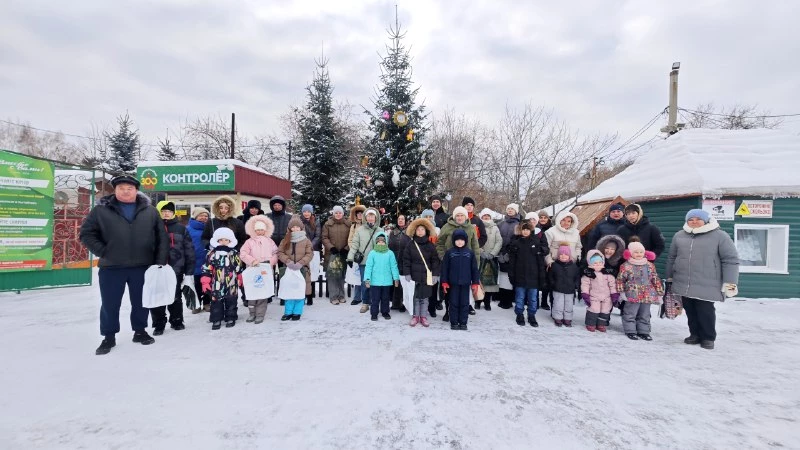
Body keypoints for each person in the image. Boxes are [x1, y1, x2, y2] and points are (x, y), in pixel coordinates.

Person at [80, 174, 169, 355]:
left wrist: (159, 261)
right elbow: (87, 234)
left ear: (136, 190)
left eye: (130, 188)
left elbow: (162, 237)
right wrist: (103, 251)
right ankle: (109, 336)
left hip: (142, 266)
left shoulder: (150, 211)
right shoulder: (101, 210)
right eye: (121, 188)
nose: (126, 191)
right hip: (112, 266)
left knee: (141, 302)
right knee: (110, 303)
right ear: (116, 190)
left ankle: (140, 331)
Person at [665, 209, 739, 350]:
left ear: (706, 220)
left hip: (708, 282)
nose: (694, 222)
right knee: (690, 309)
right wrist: (669, 276)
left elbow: (730, 260)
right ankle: (695, 334)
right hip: (683, 280)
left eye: (698, 219)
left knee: (705, 310)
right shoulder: (679, 235)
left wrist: (730, 283)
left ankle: (708, 337)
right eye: (690, 219)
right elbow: (672, 257)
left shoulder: (719, 236)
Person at [150, 201, 195, 336]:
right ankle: (159, 324)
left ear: (173, 213)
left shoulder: (181, 228)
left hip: (175, 269)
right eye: (163, 211)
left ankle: (177, 320)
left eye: (169, 211)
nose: (166, 214)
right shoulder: (151, 228)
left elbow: (189, 250)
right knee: (157, 297)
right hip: (156, 269)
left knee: (175, 296)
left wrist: (189, 270)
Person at [436, 206, 481, 321]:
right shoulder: (446, 227)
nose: (460, 217)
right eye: (458, 215)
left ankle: (462, 313)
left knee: (463, 291)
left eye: (462, 215)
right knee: (448, 289)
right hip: (450, 263)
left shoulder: (471, 228)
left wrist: (476, 263)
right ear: (454, 216)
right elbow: (439, 243)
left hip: (466, 263)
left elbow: (475, 246)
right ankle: (448, 311)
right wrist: (443, 256)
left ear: (465, 216)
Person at [616, 241, 664, 341]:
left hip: (647, 294)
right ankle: (630, 330)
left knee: (644, 314)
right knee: (630, 313)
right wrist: (621, 292)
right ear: (630, 253)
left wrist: (659, 293)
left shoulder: (650, 265)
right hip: (632, 294)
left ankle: (644, 331)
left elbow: (655, 279)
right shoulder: (626, 266)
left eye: (641, 252)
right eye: (636, 252)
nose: (639, 254)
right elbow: (620, 279)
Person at [201, 228, 244, 330]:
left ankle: (231, 317)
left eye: (226, 240)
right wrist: (205, 280)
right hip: (216, 282)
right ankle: (216, 319)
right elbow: (207, 267)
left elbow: (238, 266)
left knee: (231, 300)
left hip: (232, 282)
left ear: (230, 241)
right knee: (216, 301)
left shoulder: (234, 253)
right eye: (221, 240)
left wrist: (240, 276)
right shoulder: (212, 253)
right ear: (216, 241)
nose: (223, 242)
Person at [402, 218, 440, 327]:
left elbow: (435, 261)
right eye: (418, 229)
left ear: (426, 231)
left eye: (422, 229)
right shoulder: (410, 245)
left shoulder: (430, 245)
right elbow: (406, 260)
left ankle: (423, 316)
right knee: (415, 297)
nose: (420, 231)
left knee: (425, 298)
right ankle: (415, 316)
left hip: (426, 276)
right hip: (414, 276)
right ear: (414, 231)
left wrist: (435, 274)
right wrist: (407, 273)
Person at [239, 215, 278, 324]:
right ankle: (252, 313)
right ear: (254, 230)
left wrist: (271, 262)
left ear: (265, 230)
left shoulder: (270, 241)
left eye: (261, 230)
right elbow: (243, 253)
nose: (259, 232)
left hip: (265, 269)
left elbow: (276, 253)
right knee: (252, 292)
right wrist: (252, 261)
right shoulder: (249, 242)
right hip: (253, 269)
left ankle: (260, 314)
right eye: (257, 230)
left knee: (262, 292)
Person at [441, 229, 481, 330]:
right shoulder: (450, 253)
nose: (460, 242)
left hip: (465, 283)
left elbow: (474, 269)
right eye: (457, 240)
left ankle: (463, 322)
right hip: (452, 283)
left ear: (465, 241)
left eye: (462, 240)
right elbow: (444, 268)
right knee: (453, 303)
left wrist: (475, 282)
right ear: (454, 240)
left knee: (464, 303)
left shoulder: (470, 253)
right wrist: (444, 282)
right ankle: (454, 322)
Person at [509, 222, 547, 327]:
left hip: (533, 276)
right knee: (520, 297)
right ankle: (519, 314)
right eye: (523, 229)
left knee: (533, 298)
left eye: (527, 229)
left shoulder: (536, 243)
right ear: (521, 231)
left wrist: (541, 275)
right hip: (520, 275)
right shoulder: (516, 243)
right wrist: (511, 274)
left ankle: (531, 315)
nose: (525, 231)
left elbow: (540, 261)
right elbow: (512, 261)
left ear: (531, 231)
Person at [278, 217, 314, 321]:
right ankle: (288, 312)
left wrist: (301, 263)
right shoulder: (285, 240)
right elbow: (280, 252)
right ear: (290, 228)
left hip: (302, 269)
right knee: (289, 291)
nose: (295, 229)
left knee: (300, 291)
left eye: (297, 227)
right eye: (293, 227)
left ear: (301, 228)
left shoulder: (306, 241)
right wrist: (288, 261)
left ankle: (297, 312)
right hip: (288, 269)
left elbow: (309, 254)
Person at [348, 208, 382, 312]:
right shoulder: (360, 230)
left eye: (372, 216)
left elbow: (385, 246)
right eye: (369, 216)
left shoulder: (380, 230)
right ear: (365, 217)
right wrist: (350, 257)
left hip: (377, 262)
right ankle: (365, 303)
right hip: (364, 262)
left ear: (375, 217)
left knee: (376, 282)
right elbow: (354, 245)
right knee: (365, 282)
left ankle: (375, 302)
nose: (371, 218)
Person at [362, 231, 400, 321]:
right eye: (379, 241)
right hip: (375, 282)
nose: (381, 243)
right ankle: (374, 313)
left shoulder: (390, 253)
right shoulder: (372, 253)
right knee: (375, 299)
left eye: (383, 242)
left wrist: (396, 278)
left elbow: (393, 266)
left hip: (387, 282)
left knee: (385, 298)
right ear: (376, 242)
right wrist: (367, 279)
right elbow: (368, 267)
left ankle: (385, 312)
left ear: (386, 242)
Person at [581, 251, 618, 333]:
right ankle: (591, 324)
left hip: (606, 296)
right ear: (590, 263)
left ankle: (601, 324)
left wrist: (614, 294)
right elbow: (585, 285)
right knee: (594, 309)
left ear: (603, 262)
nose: (597, 264)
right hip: (594, 296)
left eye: (599, 262)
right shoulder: (588, 274)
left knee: (605, 310)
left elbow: (612, 284)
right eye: (595, 263)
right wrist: (585, 294)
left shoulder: (607, 273)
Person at [322, 206, 351, 305]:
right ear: (333, 214)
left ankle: (341, 295)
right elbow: (324, 237)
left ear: (343, 214)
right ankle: (333, 296)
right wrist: (331, 247)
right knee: (332, 275)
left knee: (341, 275)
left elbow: (352, 238)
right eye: (336, 213)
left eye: (340, 213)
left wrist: (346, 248)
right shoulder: (327, 224)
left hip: (343, 253)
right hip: (332, 253)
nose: (338, 214)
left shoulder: (348, 224)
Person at [497, 204, 522, 310]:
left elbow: (518, 239)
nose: (510, 210)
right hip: (501, 253)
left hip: (512, 254)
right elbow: (498, 238)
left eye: (512, 209)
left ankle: (509, 300)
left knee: (510, 276)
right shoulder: (501, 224)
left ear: (516, 211)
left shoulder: (519, 224)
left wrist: (509, 252)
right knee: (502, 277)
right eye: (508, 209)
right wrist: (500, 252)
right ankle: (502, 299)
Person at [548, 244, 580, 327]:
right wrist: (553, 284)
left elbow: (577, 277)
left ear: (569, 255)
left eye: (565, 254)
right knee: (558, 304)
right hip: (557, 289)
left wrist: (575, 285)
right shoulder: (554, 265)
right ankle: (558, 318)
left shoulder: (574, 266)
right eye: (561, 254)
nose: (563, 256)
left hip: (570, 290)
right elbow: (550, 276)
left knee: (568, 305)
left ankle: (567, 319)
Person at [477, 208, 502, 310]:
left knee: (490, 281)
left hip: (492, 257)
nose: (486, 217)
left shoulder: (495, 228)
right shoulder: (478, 226)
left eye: (488, 216)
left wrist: (493, 253)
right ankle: (478, 301)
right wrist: (481, 251)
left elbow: (499, 241)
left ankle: (487, 302)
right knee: (479, 280)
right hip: (481, 257)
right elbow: (475, 240)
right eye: (484, 216)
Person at [187, 207, 211, 313]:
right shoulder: (188, 229)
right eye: (201, 215)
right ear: (195, 216)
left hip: (207, 260)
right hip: (194, 260)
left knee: (207, 282)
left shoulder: (210, 228)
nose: (204, 218)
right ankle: (196, 304)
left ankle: (207, 303)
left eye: (206, 216)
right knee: (196, 284)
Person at [300, 204, 322, 306]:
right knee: (304, 272)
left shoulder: (316, 221)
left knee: (312, 272)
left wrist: (310, 246)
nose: (306, 213)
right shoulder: (299, 221)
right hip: (302, 250)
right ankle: (303, 295)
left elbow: (318, 236)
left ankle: (310, 295)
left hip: (314, 250)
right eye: (305, 211)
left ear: (311, 212)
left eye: (308, 211)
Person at [389, 214, 411, 312]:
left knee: (404, 284)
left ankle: (403, 303)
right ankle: (395, 303)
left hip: (405, 260)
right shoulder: (393, 232)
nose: (401, 220)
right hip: (394, 260)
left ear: (405, 221)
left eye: (402, 219)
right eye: (399, 219)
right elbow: (389, 246)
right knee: (395, 282)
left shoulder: (410, 232)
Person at [347, 204, 367, 305]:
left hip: (366, 254)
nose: (360, 215)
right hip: (356, 255)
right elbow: (350, 240)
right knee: (357, 276)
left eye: (361, 213)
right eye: (358, 213)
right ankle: (357, 297)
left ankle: (366, 297)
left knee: (365, 277)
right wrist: (354, 250)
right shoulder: (353, 226)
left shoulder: (368, 225)